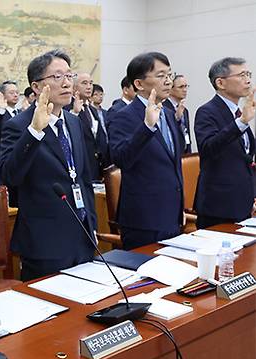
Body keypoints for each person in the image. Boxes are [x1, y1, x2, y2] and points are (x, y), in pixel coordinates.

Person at [0, 49, 97, 280]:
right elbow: (9, 175)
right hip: (45, 242)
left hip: (81, 233)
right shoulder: (19, 126)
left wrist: (91, 221)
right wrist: (34, 132)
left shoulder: (73, 122)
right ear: (36, 87)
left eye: (69, 76)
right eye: (57, 77)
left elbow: (82, 178)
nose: (66, 83)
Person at [108, 52, 184, 250]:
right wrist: (147, 128)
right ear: (139, 84)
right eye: (160, 76)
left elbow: (173, 162)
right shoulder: (123, 116)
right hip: (144, 219)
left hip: (172, 213)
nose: (168, 81)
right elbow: (121, 158)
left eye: (169, 75)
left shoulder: (168, 113)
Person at [194, 57, 255, 228]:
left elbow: (243, 155)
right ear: (220, 82)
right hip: (218, 204)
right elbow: (208, 148)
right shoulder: (207, 111)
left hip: (242, 199)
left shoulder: (238, 112)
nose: (248, 80)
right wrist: (242, 122)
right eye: (242, 75)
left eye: (248, 74)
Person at [162, 74, 192, 153]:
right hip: (172, 153)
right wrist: (176, 118)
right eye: (181, 87)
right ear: (170, 89)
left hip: (185, 153)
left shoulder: (184, 110)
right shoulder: (164, 108)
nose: (185, 90)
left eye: (186, 86)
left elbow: (186, 132)